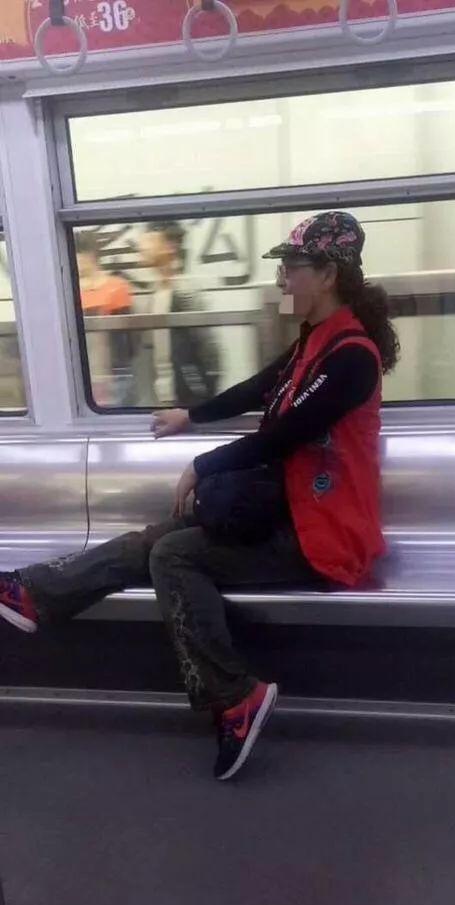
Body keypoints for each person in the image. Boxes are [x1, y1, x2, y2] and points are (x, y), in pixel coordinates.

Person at [0, 212, 399, 782]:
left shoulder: (352, 357)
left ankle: (235, 696)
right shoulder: (315, 342)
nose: (282, 279)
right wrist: (192, 416)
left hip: (325, 535)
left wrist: (201, 464)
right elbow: (259, 389)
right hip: (290, 513)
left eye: (290, 267)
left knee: (173, 554)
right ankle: (33, 593)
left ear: (327, 274)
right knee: (159, 536)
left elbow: (285, 435)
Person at [138, 221, 218, 406]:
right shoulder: (156, 291)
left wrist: (202, 397)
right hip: (164, 395)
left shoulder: (185, 292)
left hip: (186, 397)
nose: (142, 246)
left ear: (170, 246)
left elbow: (207, 349)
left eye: (149, 240)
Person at [76, 230, 135, 404]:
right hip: (80, 372)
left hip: (115, 373)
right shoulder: (69, 291)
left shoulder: (116, 287)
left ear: (89, 256)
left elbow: (127, 339)